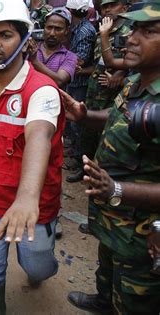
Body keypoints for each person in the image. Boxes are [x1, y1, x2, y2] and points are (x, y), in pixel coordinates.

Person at [0, 0, 65, 313]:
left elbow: (38, 136)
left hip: (32, 205)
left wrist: (26, 198)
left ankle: (38, 269)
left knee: (37, 267)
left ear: (25, 40)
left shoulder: (42, 91)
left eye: (6, 34)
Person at [64, 2, 160, 312]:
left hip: (142, 230)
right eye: (133, 29)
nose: (131, 38)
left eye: (148, 31)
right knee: (108, 266)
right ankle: (103, 299)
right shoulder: (136, 80)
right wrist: (84, 114)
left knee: (133, 300)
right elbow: (119, 115)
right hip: (114, 218)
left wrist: (118, 189)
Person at [72, 0, 130, 187]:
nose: (107, 9)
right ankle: (86, 168)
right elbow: (98, 61)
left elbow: (135, 63)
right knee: (87, 130)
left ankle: (103, 175)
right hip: (94, 88)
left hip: (114, 94)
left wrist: (120, 76)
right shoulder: (102, 30)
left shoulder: (131, 31)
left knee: (107, 133)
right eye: (104, 6)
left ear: (124, 6)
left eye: (112, 5)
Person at [64, 0, 97, 181]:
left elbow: (80, 61)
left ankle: (81, 163)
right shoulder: (78, 28)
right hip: (75, 80)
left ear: (72, 11)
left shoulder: (84, 31)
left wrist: (63, 62)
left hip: (81, 82)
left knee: (78, 124)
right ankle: (76, 155)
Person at [28, 7, 78, 89]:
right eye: (49, 27)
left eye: (58, 29)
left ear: (66, 30)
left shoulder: (70, 57)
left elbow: (60, 81)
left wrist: (35, 61)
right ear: (44, 27)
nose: (52, 33)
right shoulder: (30, 48)